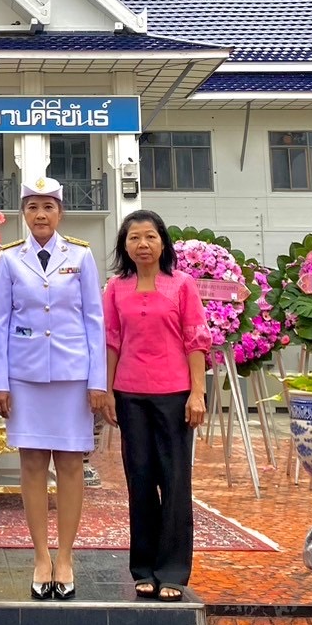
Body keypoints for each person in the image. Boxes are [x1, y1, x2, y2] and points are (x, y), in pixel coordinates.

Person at [0, 176, 107, 600]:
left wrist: (98, 381)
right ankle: (41, 556)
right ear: (24, 213)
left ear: (60, 212)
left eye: (48, 207)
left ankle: (66, 556)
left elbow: (94, 320)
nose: (41, 215)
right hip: (25, 376)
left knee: (72, 465)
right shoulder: (10, 259)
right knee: (33, 464)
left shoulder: (80, 255)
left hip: (73, 378)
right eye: (33, 207)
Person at [102, 209, 209, 602]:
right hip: (130, 394)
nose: (142, 245)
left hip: (175, 395)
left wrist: (197, 393)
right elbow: (111, 340)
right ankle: (144, 568)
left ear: (163, 242)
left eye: (149, 237)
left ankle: (173, 572)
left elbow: (196, 339)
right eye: (134, 238)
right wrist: (108, 391)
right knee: (141, 482)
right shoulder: (115, 287)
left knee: (175, 481)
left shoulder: (182, 285)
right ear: (124, 245)